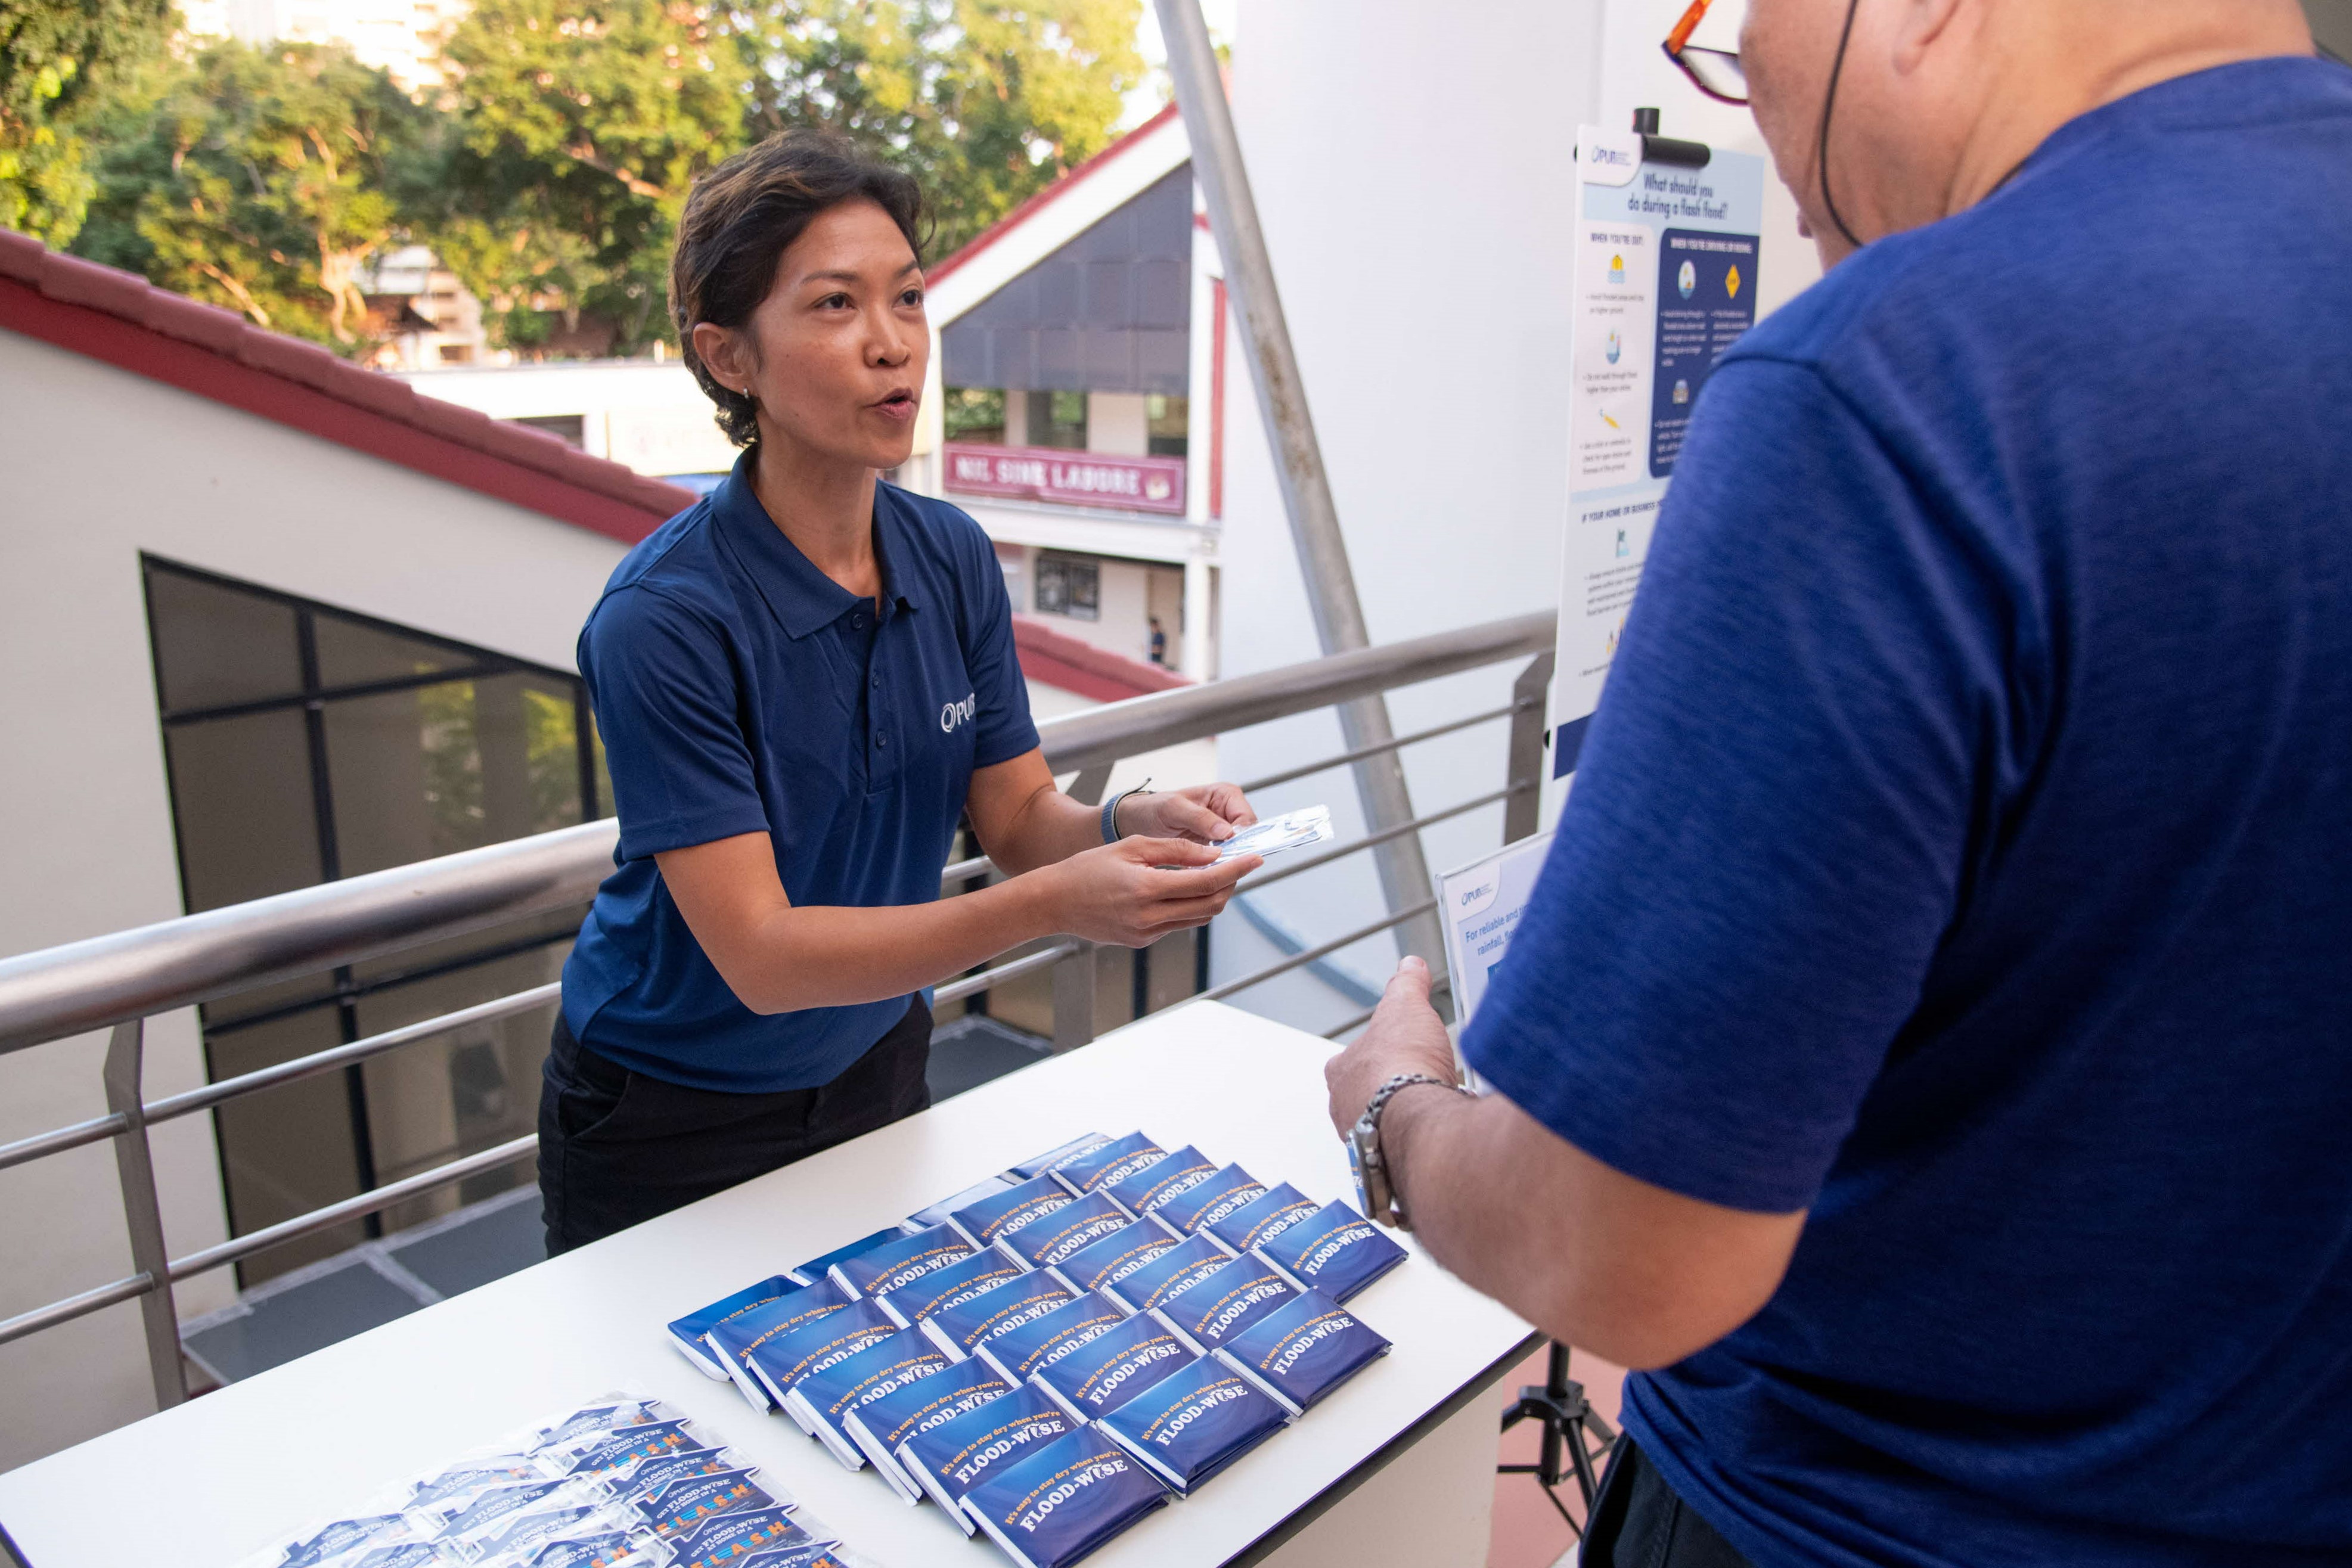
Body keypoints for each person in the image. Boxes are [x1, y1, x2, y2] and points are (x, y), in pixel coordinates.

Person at [1324, 2, 2350, 1564]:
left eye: (1741, 29)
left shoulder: (1896, 377)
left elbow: (1623, 1257)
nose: (1749, 113)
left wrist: (1396, 1109)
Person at [541, 132, 1261, 1255]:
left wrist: (1125, 824)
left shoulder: (951, 554)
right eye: (835, 306)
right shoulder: (665, 620)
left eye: (909, 299)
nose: (893, 348)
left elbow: (1021, 819)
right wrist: (1055, 907)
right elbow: (764, 958)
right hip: (669, 1108)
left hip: (877, 1054)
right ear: (730, 359)